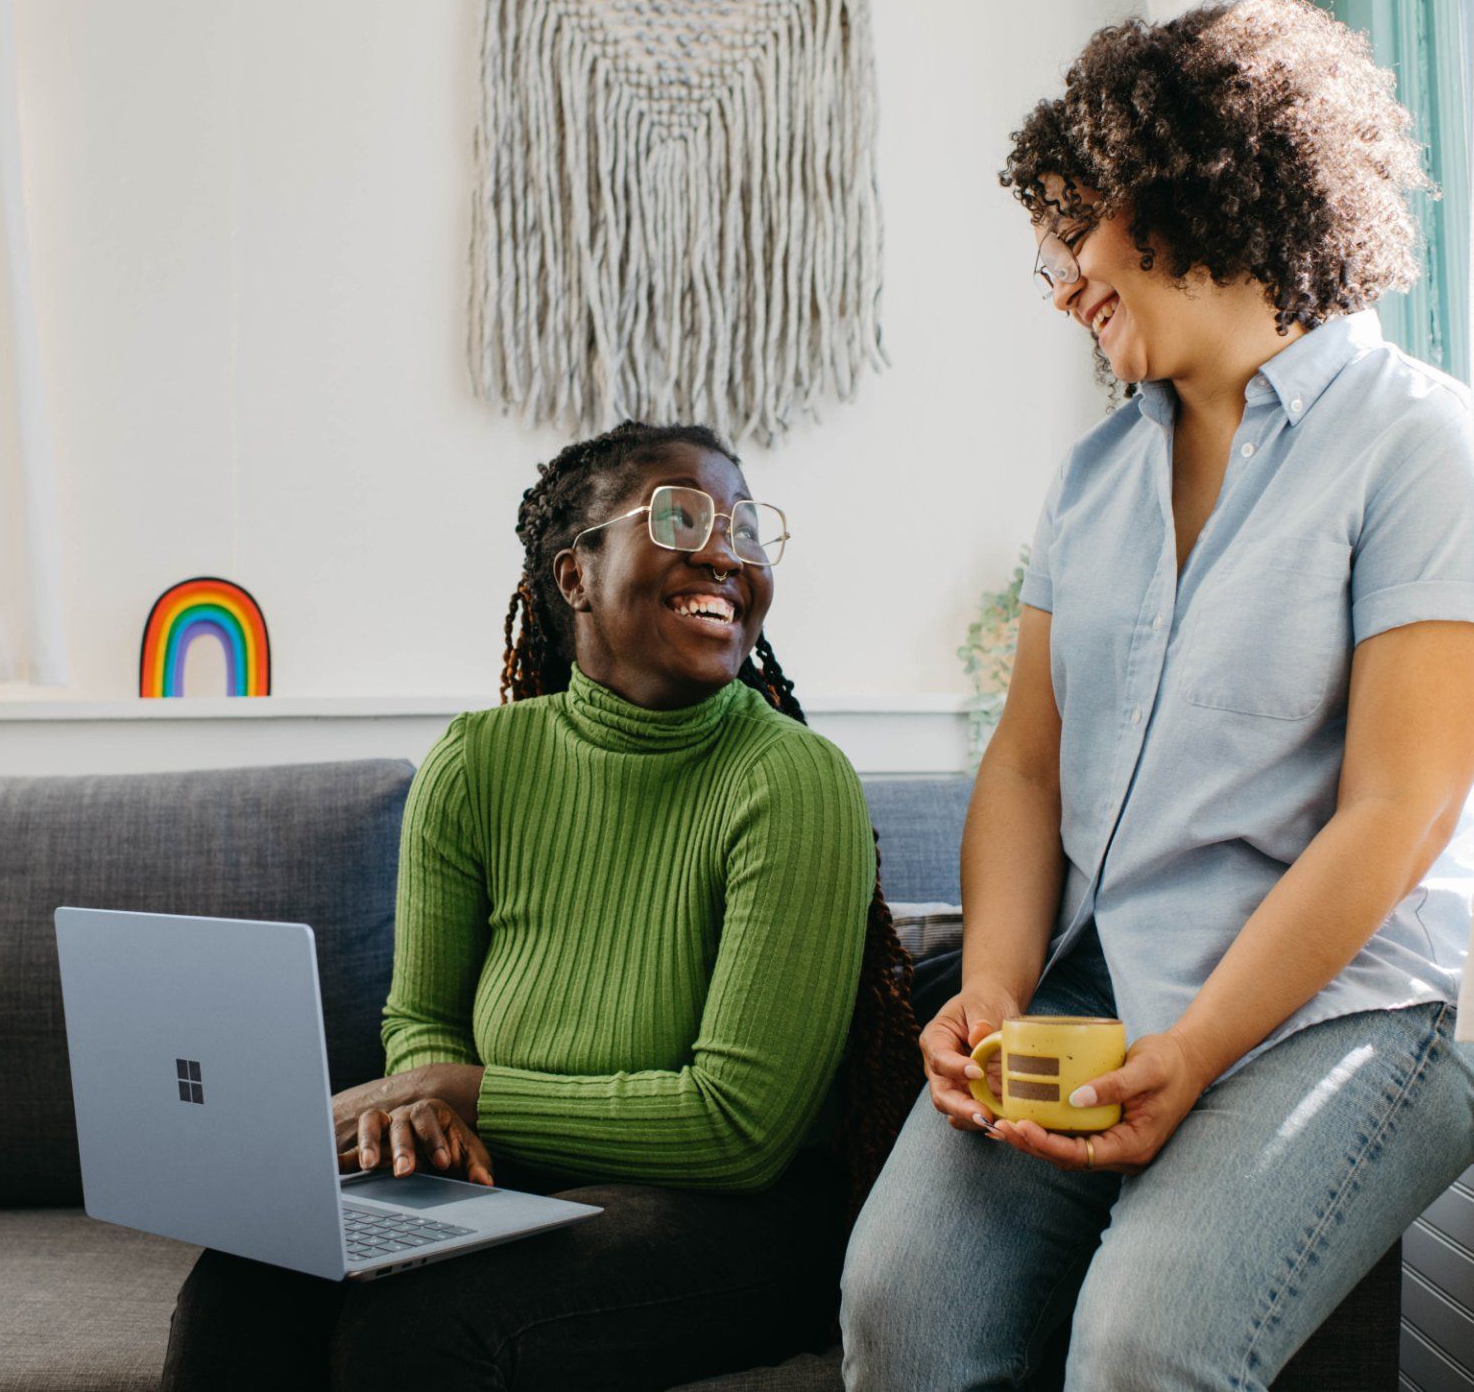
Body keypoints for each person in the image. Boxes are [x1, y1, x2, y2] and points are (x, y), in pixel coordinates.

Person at [840, 0, 1474, 1391]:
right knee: (902, 1310)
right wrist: (1005, 990)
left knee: (1148, 1346)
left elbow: (1402, 804)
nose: (1063, 280)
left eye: (1075, 231)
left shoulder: (1416, 445)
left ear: (1192, 189)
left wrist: (1202, 1048)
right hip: (1106, 981)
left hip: (1356, 1009)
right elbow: (1027, 767)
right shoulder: (1094, 482)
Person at [162, 420, 922, 1390]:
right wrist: (423, 1117)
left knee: (423, 1331)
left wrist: (459, 1093)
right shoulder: (478, 763)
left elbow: (739, 1128)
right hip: (506, 1179)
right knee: (247, 1279)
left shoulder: (793, 779)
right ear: (576, 577)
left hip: (736, 1212)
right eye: (683, 516)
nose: (726, 551)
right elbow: (423, 1016)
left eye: (745, 526)